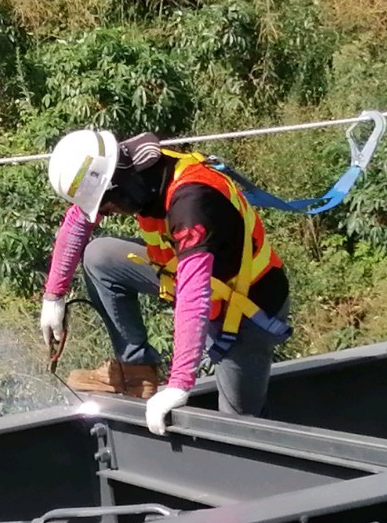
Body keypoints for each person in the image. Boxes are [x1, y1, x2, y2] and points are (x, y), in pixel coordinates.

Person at [40, 129, 291, 435]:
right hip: (190, 280)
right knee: (100, 256)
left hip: (246, 309)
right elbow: (79, 220)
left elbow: (194, 294)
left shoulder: (192, 201)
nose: (107, 213)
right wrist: (53, 296)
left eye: (108, 204)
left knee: (240, 427)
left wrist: (179, 383)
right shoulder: (135, 171)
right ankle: (137, 372)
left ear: (119, 181)